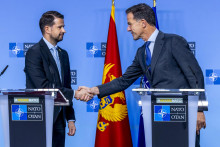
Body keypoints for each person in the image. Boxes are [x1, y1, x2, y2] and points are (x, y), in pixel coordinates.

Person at [79, 3, 206, 147]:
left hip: (182, 115)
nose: (128, 29)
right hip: (159, 115)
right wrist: (93, 90)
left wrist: (199, 109)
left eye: (130, 24)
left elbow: (195, 75)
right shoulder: (141, 52)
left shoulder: (173, 42)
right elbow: (124, 81)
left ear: (143, 23)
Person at [24, 11, 91, 147]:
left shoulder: (63, 54)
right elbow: (43, 87)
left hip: (59, 118)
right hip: (39, 118)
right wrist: (76, 94)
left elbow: (66, 86)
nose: (64, 30)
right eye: (60, 27)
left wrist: (70, 118)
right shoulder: (34, 52)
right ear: (47, 29)